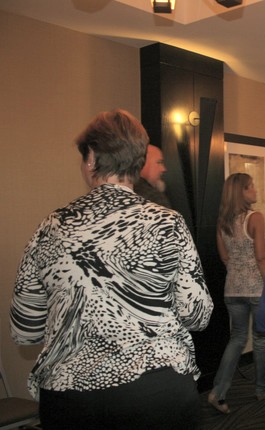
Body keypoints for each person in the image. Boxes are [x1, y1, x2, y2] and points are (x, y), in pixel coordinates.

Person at [10, 109, 214, 430]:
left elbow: (25, 328)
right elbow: (198, 315)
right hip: (156, 390)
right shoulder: (167, 223)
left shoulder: (52, 227)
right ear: (137, 162)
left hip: (72, 398)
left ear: (91, 158)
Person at [207, 173, 265, 414]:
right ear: (242, 192)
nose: (255, 190)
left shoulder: (222, 222)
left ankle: (218, 392)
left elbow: (224, 257)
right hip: (256, 288)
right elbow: (260, 257)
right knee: (260, 339)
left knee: (237, 338)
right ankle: (263, 389)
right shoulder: (255, 217)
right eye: (251, 187)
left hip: (232, 289)